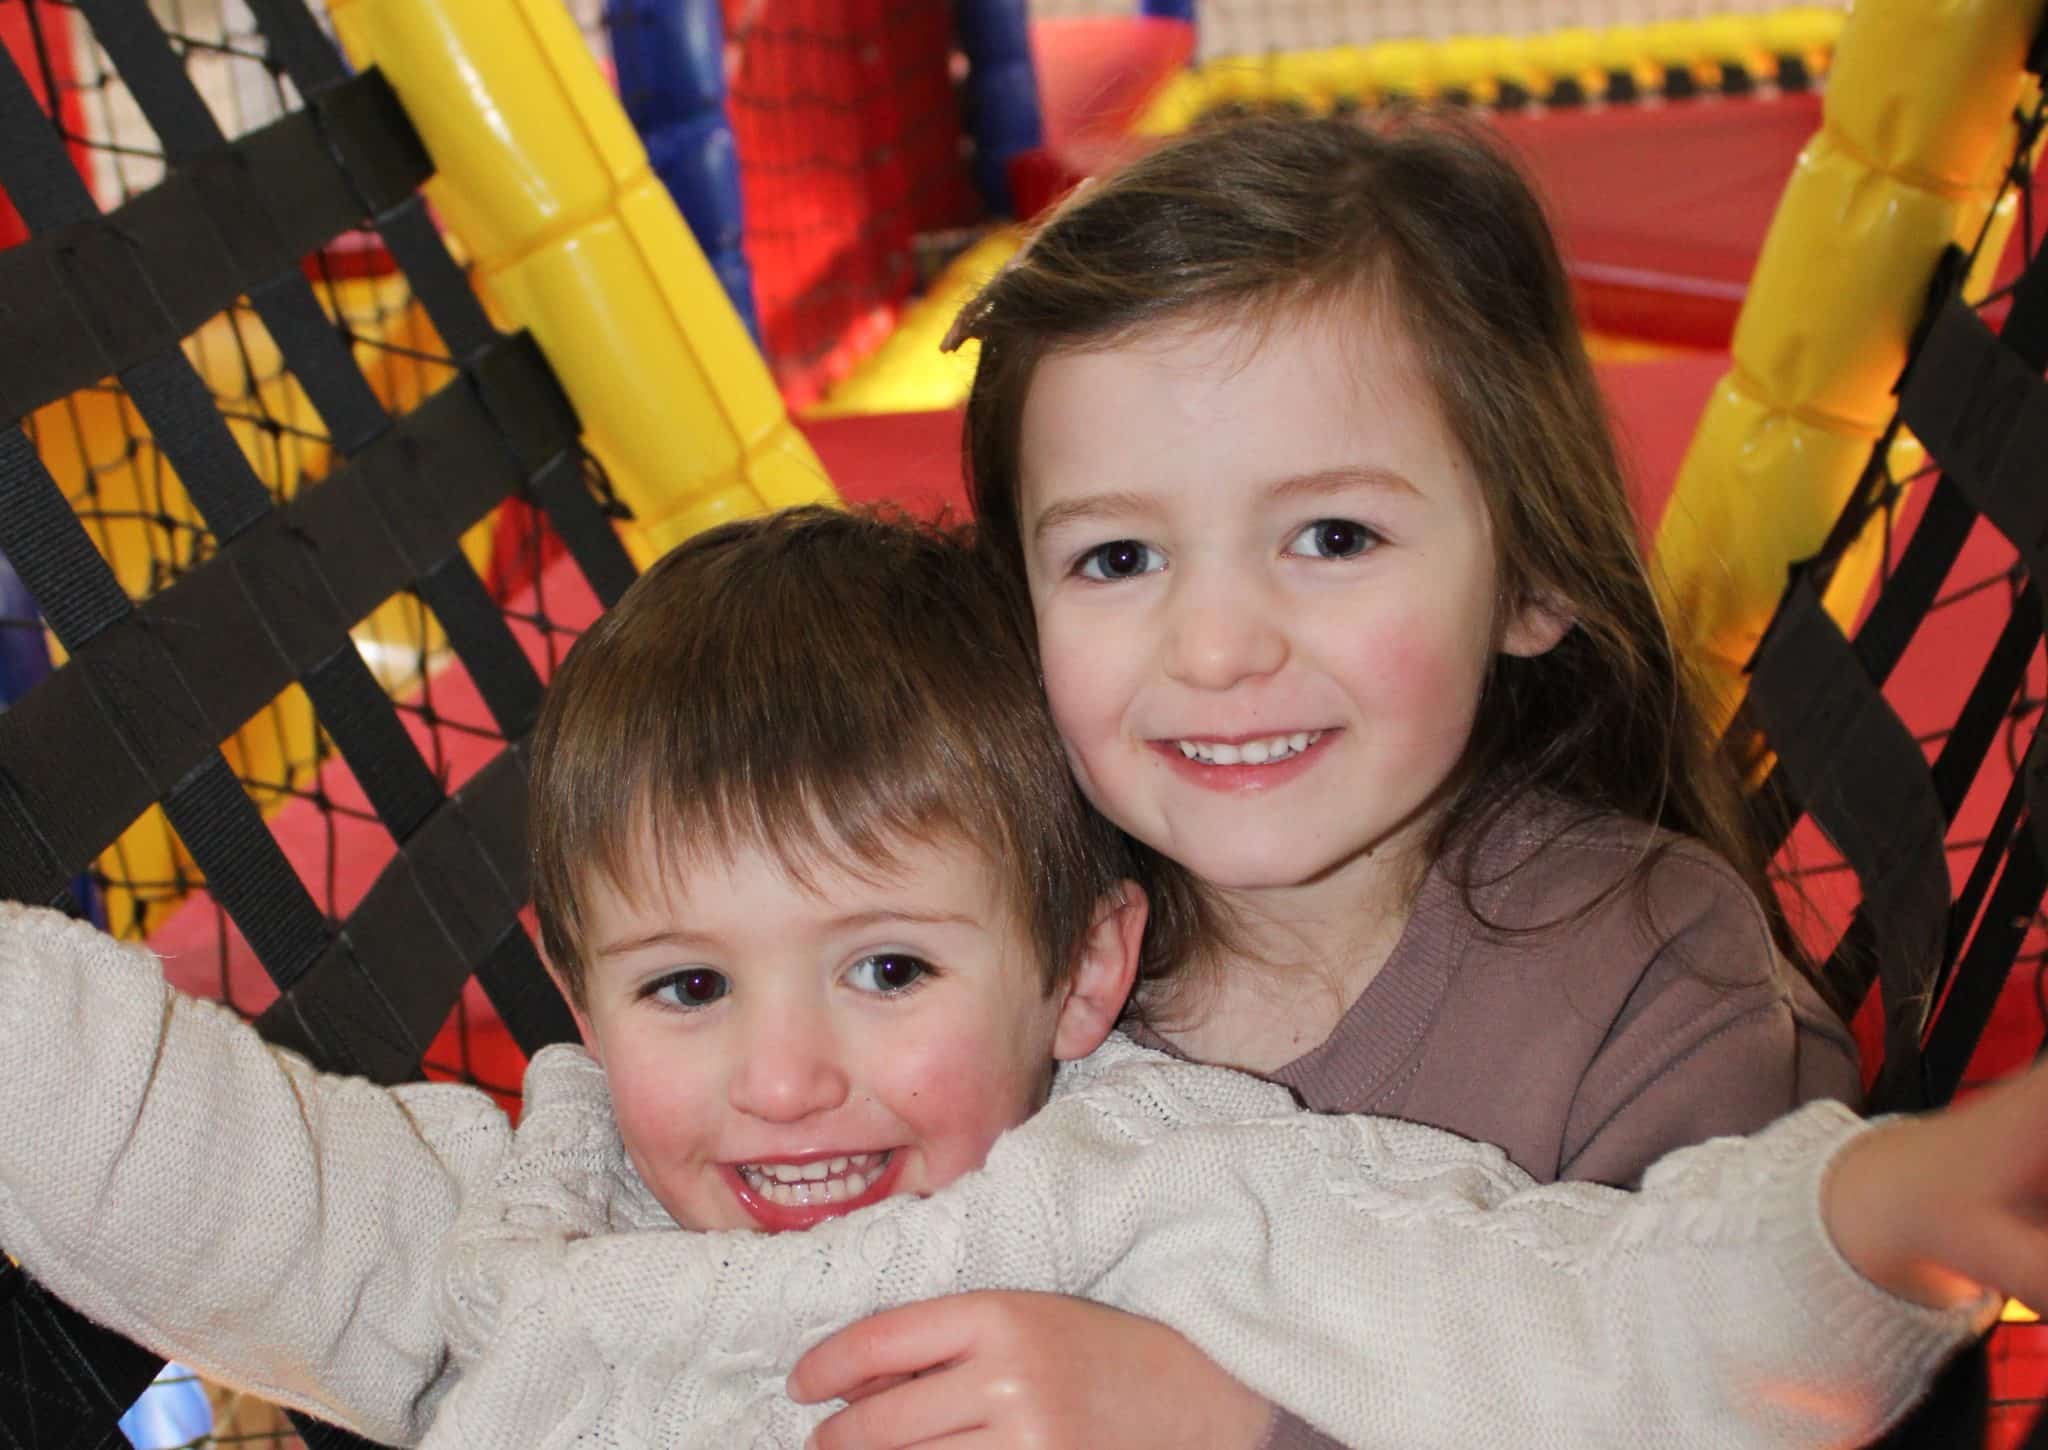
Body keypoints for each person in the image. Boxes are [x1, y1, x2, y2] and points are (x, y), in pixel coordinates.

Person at [0, 508, 2031, 1450]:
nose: (785, 1078)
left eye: (884, 964)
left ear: (1081, 970)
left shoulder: (1168, 1202)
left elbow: (1605, 1334)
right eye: (687, 988)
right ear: (578, 990)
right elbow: (170, 1137)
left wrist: (1887, 1214)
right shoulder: (514, 1215)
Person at [791, 110, 1892, 1449]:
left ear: (1531, 574)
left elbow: (1725, 1394)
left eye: (1331, 535)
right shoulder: (981, 932)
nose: (1216, 646)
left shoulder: (1656, 987)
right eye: (1118, 558)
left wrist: (1226, 1425)